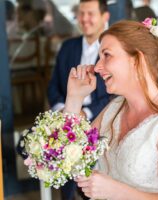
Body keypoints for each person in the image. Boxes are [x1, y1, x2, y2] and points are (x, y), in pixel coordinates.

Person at [64, 19, 158, 199]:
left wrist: (115, 191)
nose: (97, 67)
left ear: (137, 60)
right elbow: (71, 156)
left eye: (107, 55)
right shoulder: (115, 108)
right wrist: (74, 99)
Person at [47, 0, 111, 199]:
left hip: (98, 118)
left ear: (104, 16)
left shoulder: (110, 50)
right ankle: (66, 196)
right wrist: (63, 109)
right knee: (28, 145)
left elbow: (114, 95)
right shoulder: (68, 47)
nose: (84, 19)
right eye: (81, 13)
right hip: (65, 113)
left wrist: (85, 113)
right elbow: (54, 86)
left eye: (90, 13)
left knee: (71, 147)